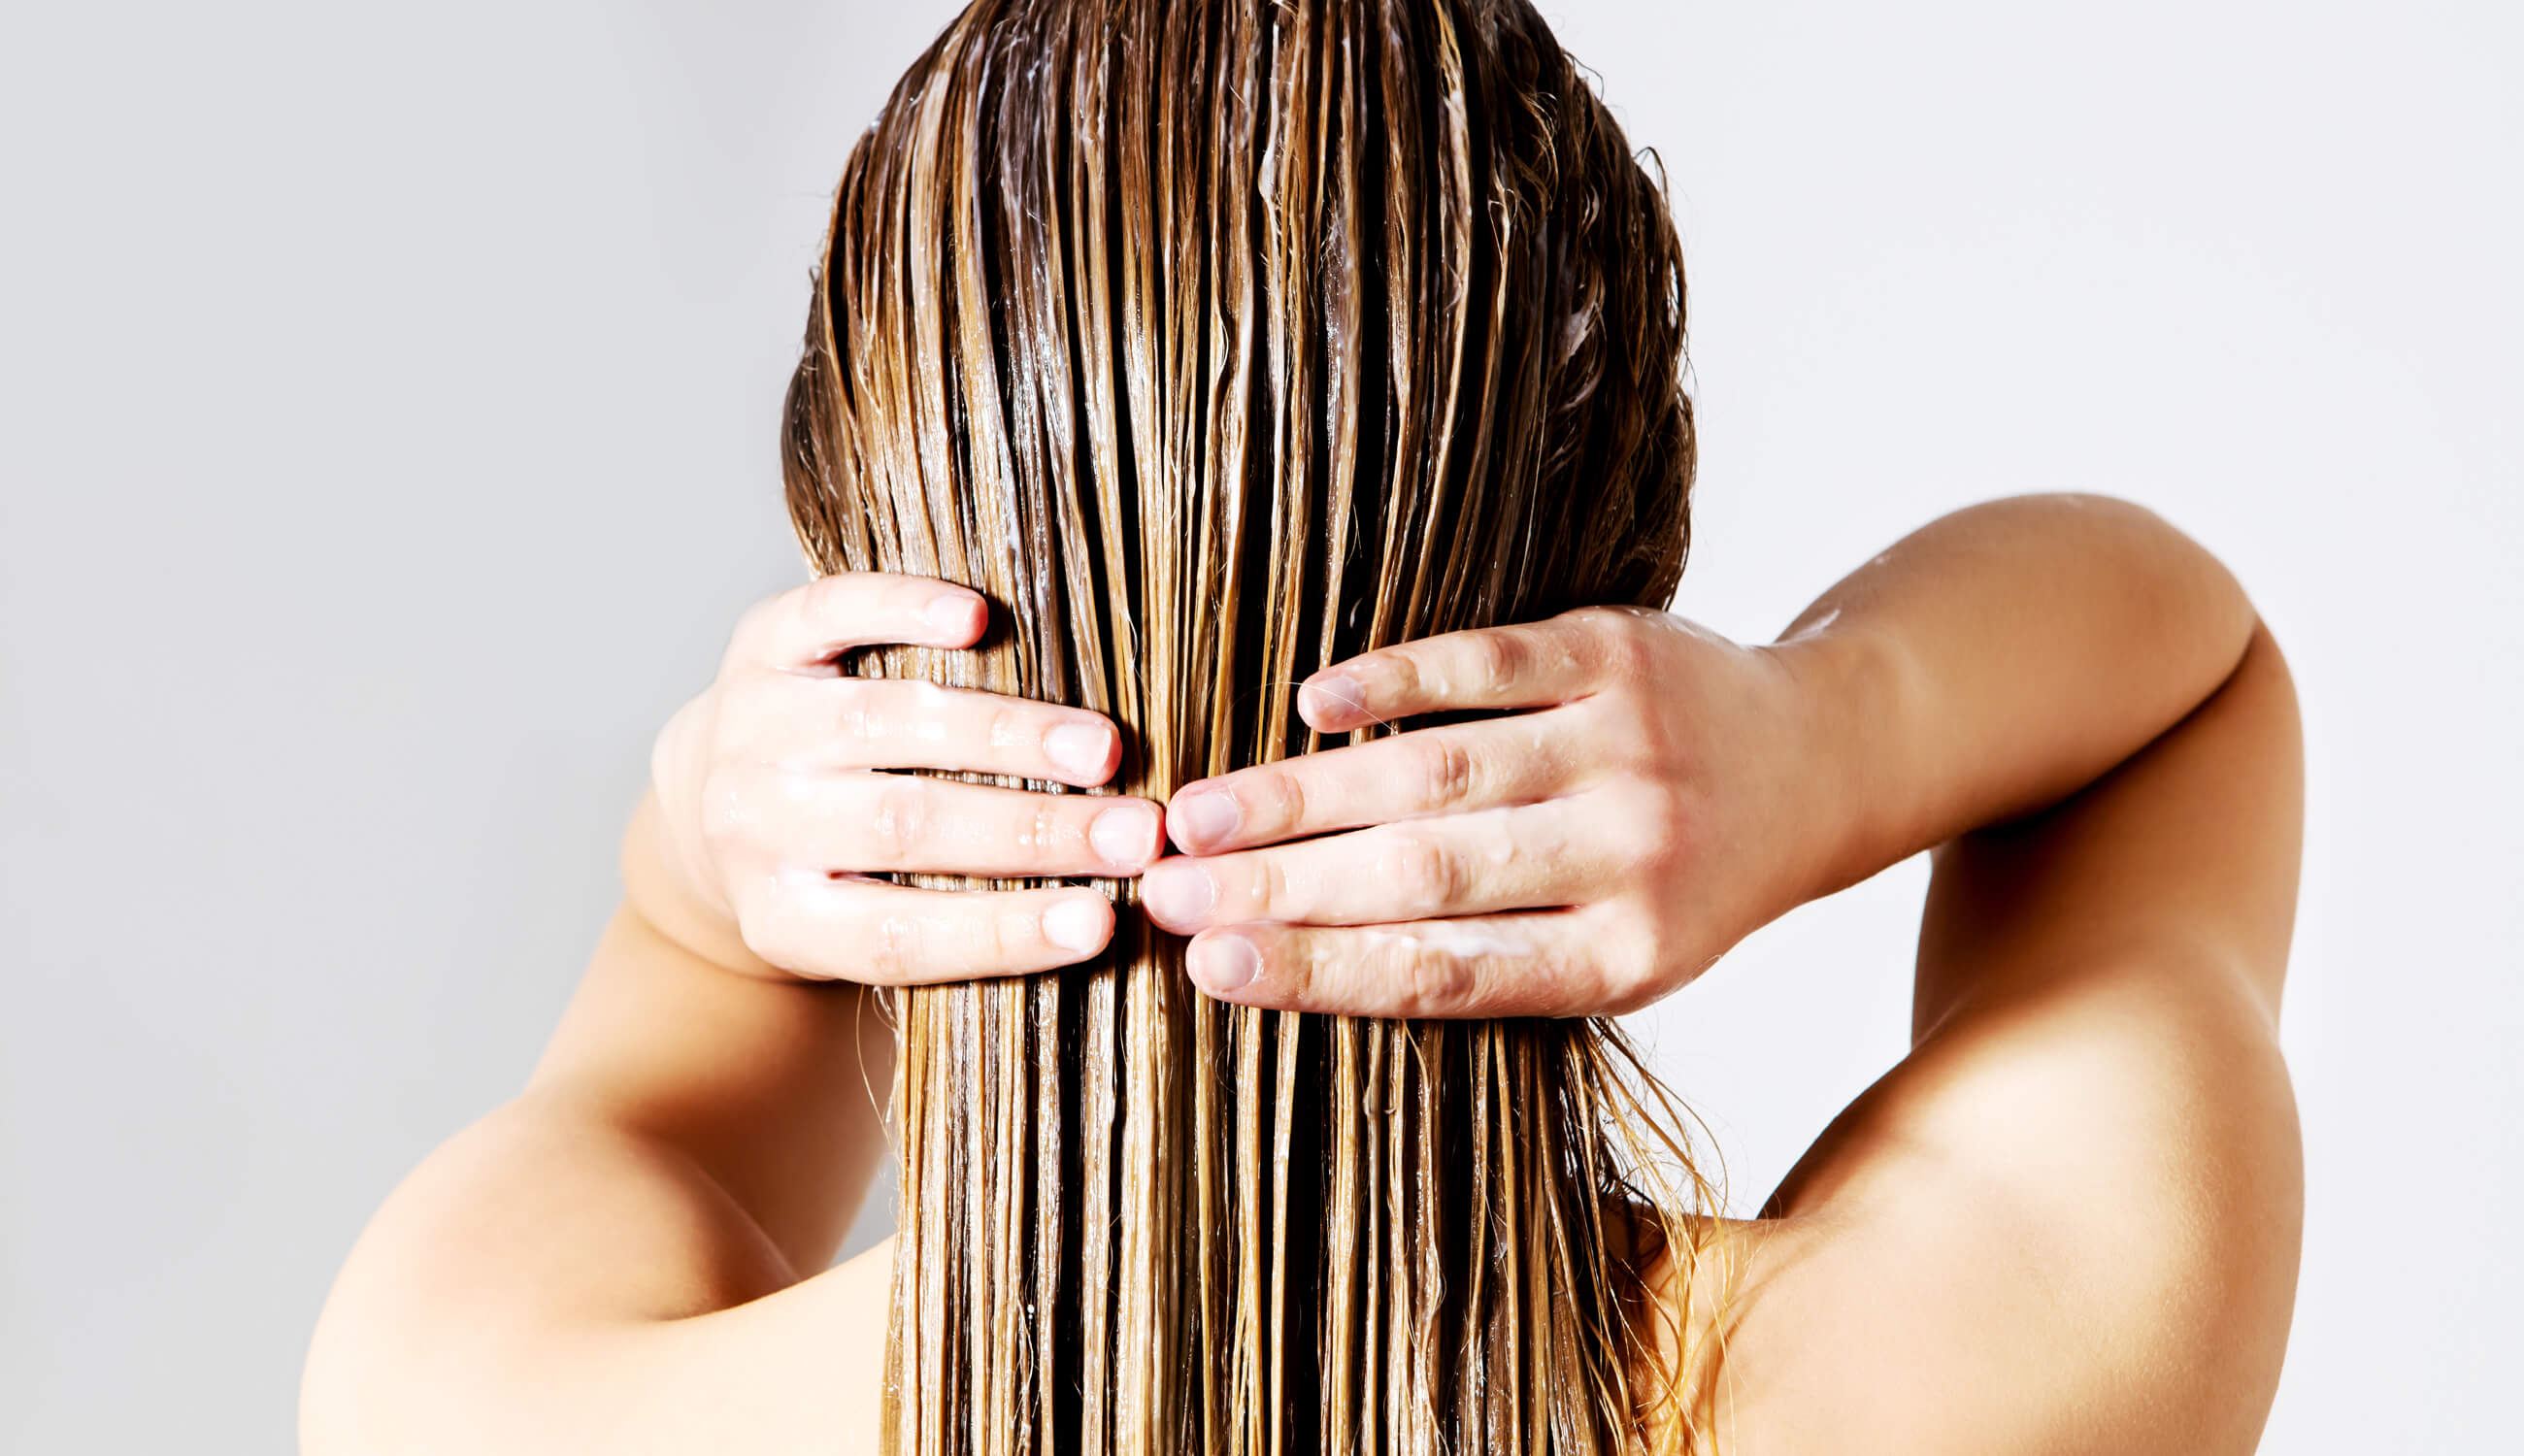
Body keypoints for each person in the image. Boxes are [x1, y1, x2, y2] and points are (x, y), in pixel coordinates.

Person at [300, 6, 2304, 1454]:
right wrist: (1829, 729)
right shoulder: (1979, 1373)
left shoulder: (488, 1400)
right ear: (1609, 614)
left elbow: (655, 1055)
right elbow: (2189, 680)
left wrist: (699, 847)